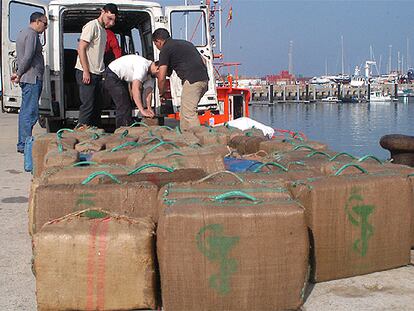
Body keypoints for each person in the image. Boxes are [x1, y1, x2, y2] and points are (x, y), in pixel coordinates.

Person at [152, 28, 209, 131]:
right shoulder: (186, 44)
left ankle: (197, 139)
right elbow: (203, 60)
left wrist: (162, 92)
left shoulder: (165, 49)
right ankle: (185, 136)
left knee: (189, 113)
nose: (157, 47)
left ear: (158, 41)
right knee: (184, 110)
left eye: (156, 45)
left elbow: (161, 77)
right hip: (204, 79)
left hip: (192, 80)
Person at [75, 3, 118, 127]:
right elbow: (81, 48)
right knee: (87, 106)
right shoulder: (91, 26)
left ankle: (95, 132)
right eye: (109, 18)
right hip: (86, 72)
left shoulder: (104, 31)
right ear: (103, 12)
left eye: (113, 21)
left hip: (98, 73)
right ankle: (81, 132)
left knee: (97, 107)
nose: (110, 22)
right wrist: (86, 71)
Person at [11, 12, 48, 154]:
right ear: (37, 21)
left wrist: (19, 73)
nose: (45, 28)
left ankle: (23, 143)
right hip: (32, 79)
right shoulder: (32, 34)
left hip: (29, 78)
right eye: (45, 24)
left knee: (26, 112)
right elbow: (27, 56)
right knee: (30, 113)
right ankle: (25, 144)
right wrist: (19, 73)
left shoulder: (22, 32)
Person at [103, 54, 157, 128]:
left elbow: (148, 92)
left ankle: (127, 127)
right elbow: (135, 89)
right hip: (112, 74)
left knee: (127, 104)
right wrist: (142, 110)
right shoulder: (143, 66)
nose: (158, 76)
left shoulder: (151, 75)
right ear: (157, 68)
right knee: (124, 105)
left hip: (120, 78)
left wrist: (149, 108)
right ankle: (122, 131)